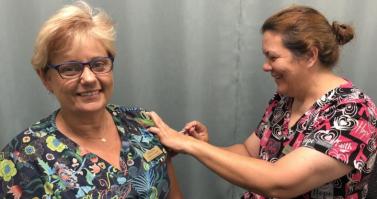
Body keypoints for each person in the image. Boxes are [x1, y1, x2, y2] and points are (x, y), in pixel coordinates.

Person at [147, 5, 377, 199]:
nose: (266, 66)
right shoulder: (285, 100)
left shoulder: (355, 113)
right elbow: (249, 152)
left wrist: (190, 146)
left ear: (310, 55)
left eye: (273, 57)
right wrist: (205, 147)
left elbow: (280, 182)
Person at [0, 1, 182, 198]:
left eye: (99, 64)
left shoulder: (142, 123)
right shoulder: (21, 157)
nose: (88, 78)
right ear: (45, 78)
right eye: (70, 68)